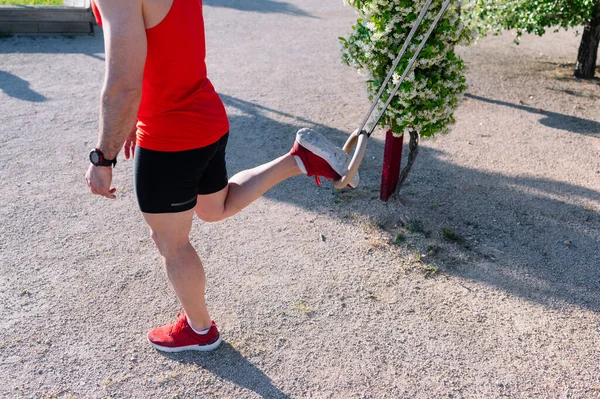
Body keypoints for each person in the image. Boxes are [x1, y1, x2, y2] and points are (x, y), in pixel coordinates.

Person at [85, 0, 359, 353]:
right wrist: (133, 118)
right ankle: (299, 160)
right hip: (207, 118)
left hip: (170, 136)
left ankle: (200, 331)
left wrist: (102, 158)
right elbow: (167, 48)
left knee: (171, 244)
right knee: (214, 208)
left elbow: (123, 85)